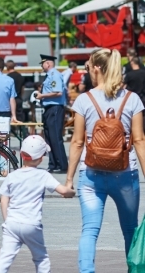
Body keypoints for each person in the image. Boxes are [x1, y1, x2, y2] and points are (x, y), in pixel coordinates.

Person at [66, 48, 145, 273]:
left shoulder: (84, 100)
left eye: (89, 67)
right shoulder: (132, 99)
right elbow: (139, 140)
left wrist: (69, 179)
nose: (88, 71)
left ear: (97, 68)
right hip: (126, 174)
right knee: (130, 228)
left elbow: (77, 142)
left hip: (91, 174)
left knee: (89, 230)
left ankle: (87, 271)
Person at [0, 135, 75, 273]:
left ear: (22, 154)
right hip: (31, 224)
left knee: (5, 258)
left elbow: (4, 199)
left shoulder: (12, 176)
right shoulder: (43, 175)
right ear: (41, 158)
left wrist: (7, 219)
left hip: (12, 223)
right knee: (41, 258)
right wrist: (71, 192)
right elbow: (63, 191)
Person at [33, 54, 69, 173]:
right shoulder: (49, 76)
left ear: (48, 64)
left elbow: (58, 92)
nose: (42, 66)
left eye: (43, 63)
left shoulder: (55, 75)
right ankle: (53, 164)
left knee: (55, 137)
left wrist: (42, 95)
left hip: (55, 108)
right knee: (48, 137)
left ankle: (62, 165)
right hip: (49, 108)